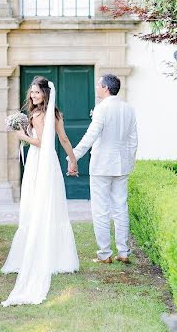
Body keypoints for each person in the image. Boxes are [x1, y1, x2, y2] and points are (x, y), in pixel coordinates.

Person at [1, 76, 79, 306]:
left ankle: (37, 252)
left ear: (45, 93)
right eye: (32, 92)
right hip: (50, 162)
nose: (33, 96)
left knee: (36, 203)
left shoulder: (39, 114)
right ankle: (58, 257)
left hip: (39, 161)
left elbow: (43, 143)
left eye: (37, 92)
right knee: (50, 203)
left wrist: (22, 136)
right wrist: (72, 160)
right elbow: (63, 139)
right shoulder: (55, 113)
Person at [68, 74, 137, 264]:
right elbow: (133, 140)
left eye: (98, 85)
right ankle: (123, 252)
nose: (97, 88)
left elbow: (91, 135)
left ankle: (105, 253)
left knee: (100, 209)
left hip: (101, 165)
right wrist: (129, 162)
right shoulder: (128, 109)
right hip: (121, 165)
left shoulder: (102, 109)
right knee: (121, 208)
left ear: (105, 88)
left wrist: (73, 156)